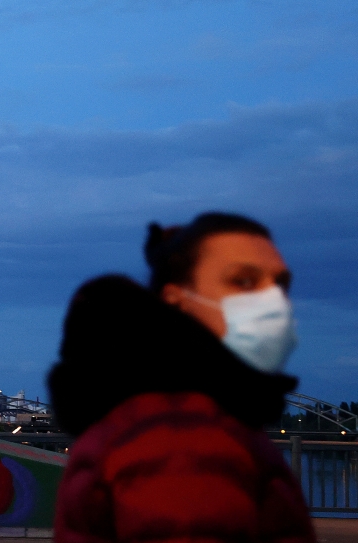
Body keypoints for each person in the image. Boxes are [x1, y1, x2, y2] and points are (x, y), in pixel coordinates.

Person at [48, 212, 315, 542]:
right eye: (243, 281)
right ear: (177, 300)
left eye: (280, 284)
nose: (274, 302)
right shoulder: (182, 438)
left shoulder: (161, 414)